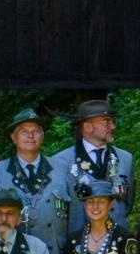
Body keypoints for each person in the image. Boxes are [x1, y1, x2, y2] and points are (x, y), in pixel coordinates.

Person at [0, 108, 73, 254]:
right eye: (24, 132)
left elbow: (76, 214)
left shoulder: (62, 168)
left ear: (42, 137)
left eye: (35, 131)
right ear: (13, 138)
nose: (31, 136)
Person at [49, 99, 134, 234]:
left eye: (113, 121)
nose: (113, 127)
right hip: (79, 244)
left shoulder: (125, 158)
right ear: (88, 126)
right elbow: (59, 212)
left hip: (118, 242)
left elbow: (128, 203)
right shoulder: (62, 161)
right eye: (106, 122)